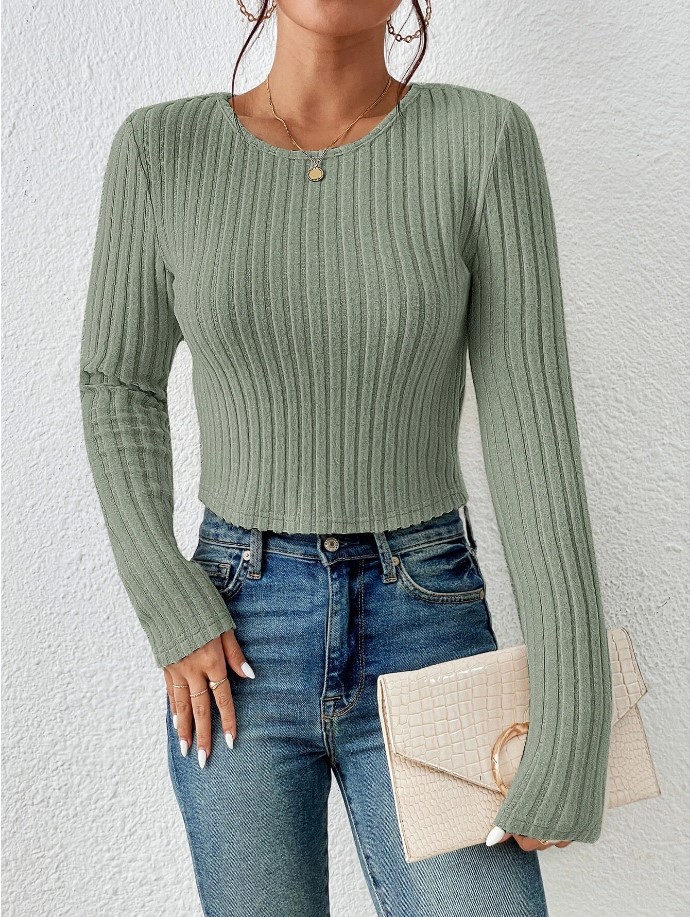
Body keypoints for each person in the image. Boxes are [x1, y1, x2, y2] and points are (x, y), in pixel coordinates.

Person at [78, 2, 613, 914]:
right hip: (234, 637)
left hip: (427, 617)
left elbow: (534, 431)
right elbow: (116, 383)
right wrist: (167, 599)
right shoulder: (161, 152)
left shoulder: (484, 142)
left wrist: (576, 710)